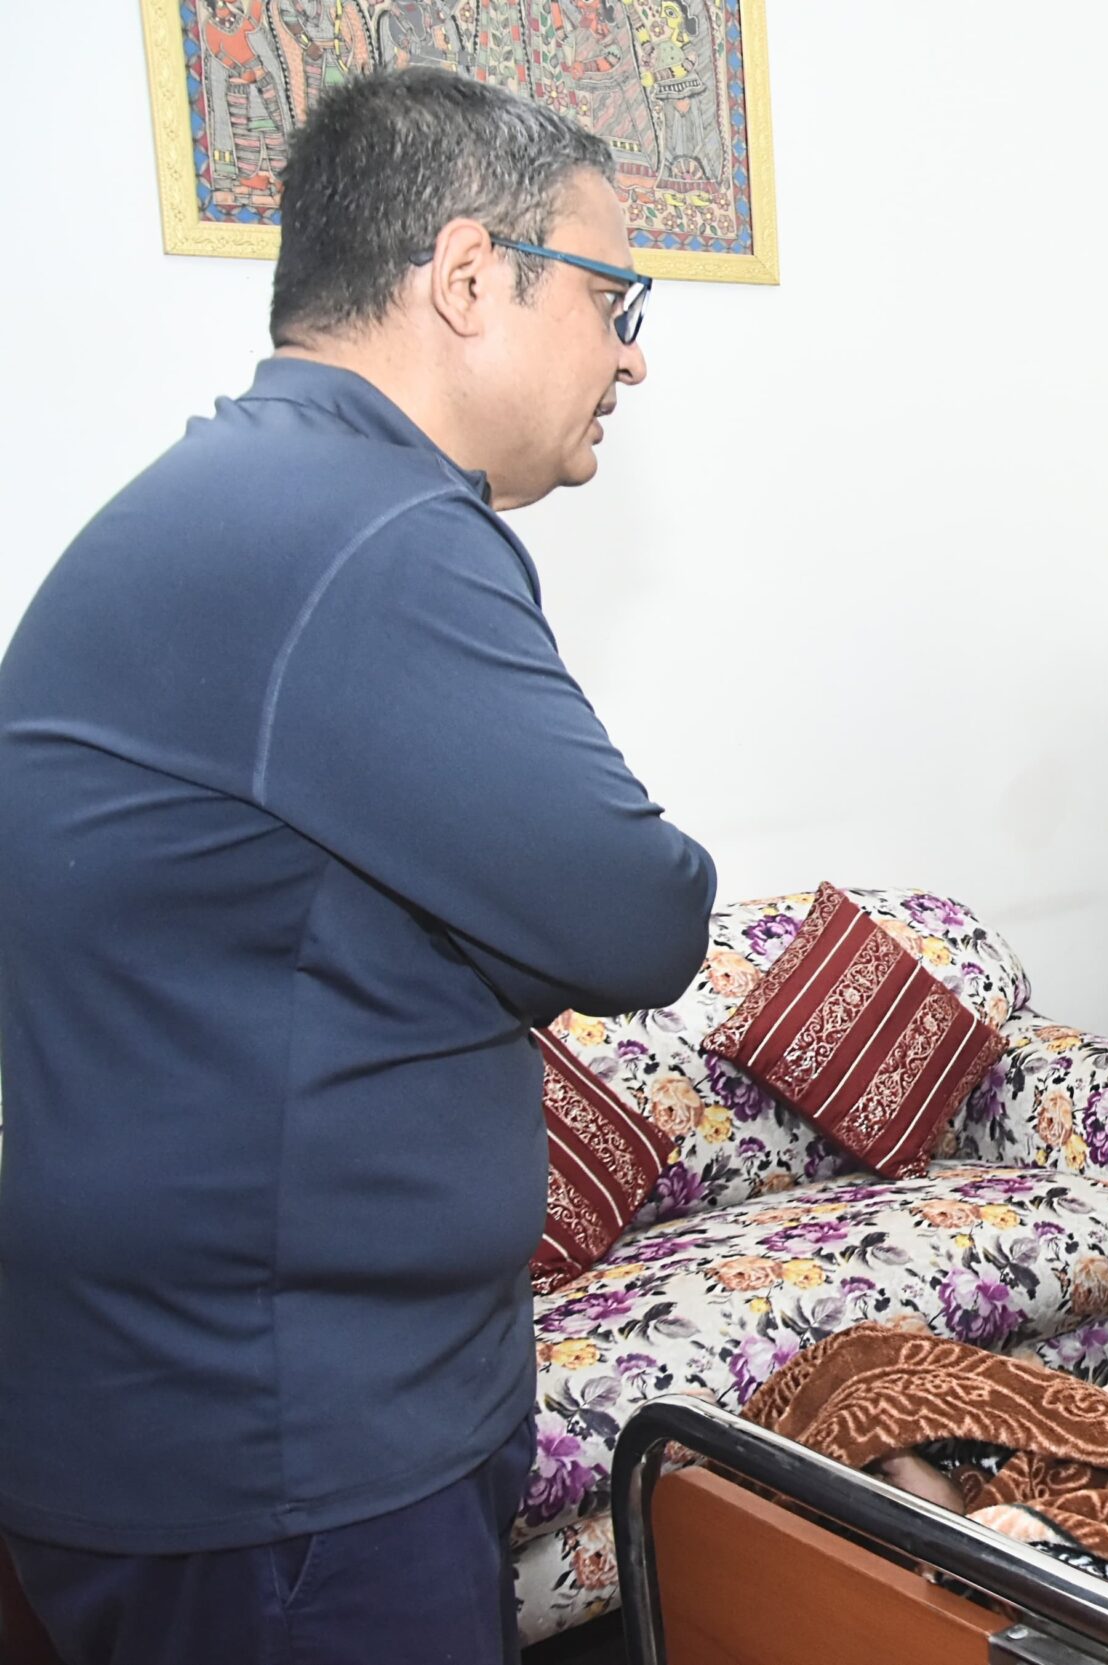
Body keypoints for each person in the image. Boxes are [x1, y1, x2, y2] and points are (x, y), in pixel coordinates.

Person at [0, 69, 715, 1665]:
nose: (632, 355)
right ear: (469, 276)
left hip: (213, 1423)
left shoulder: (239, 495)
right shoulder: (369, 533)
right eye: (611, 299)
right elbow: (640, 913)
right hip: (281, 1461)